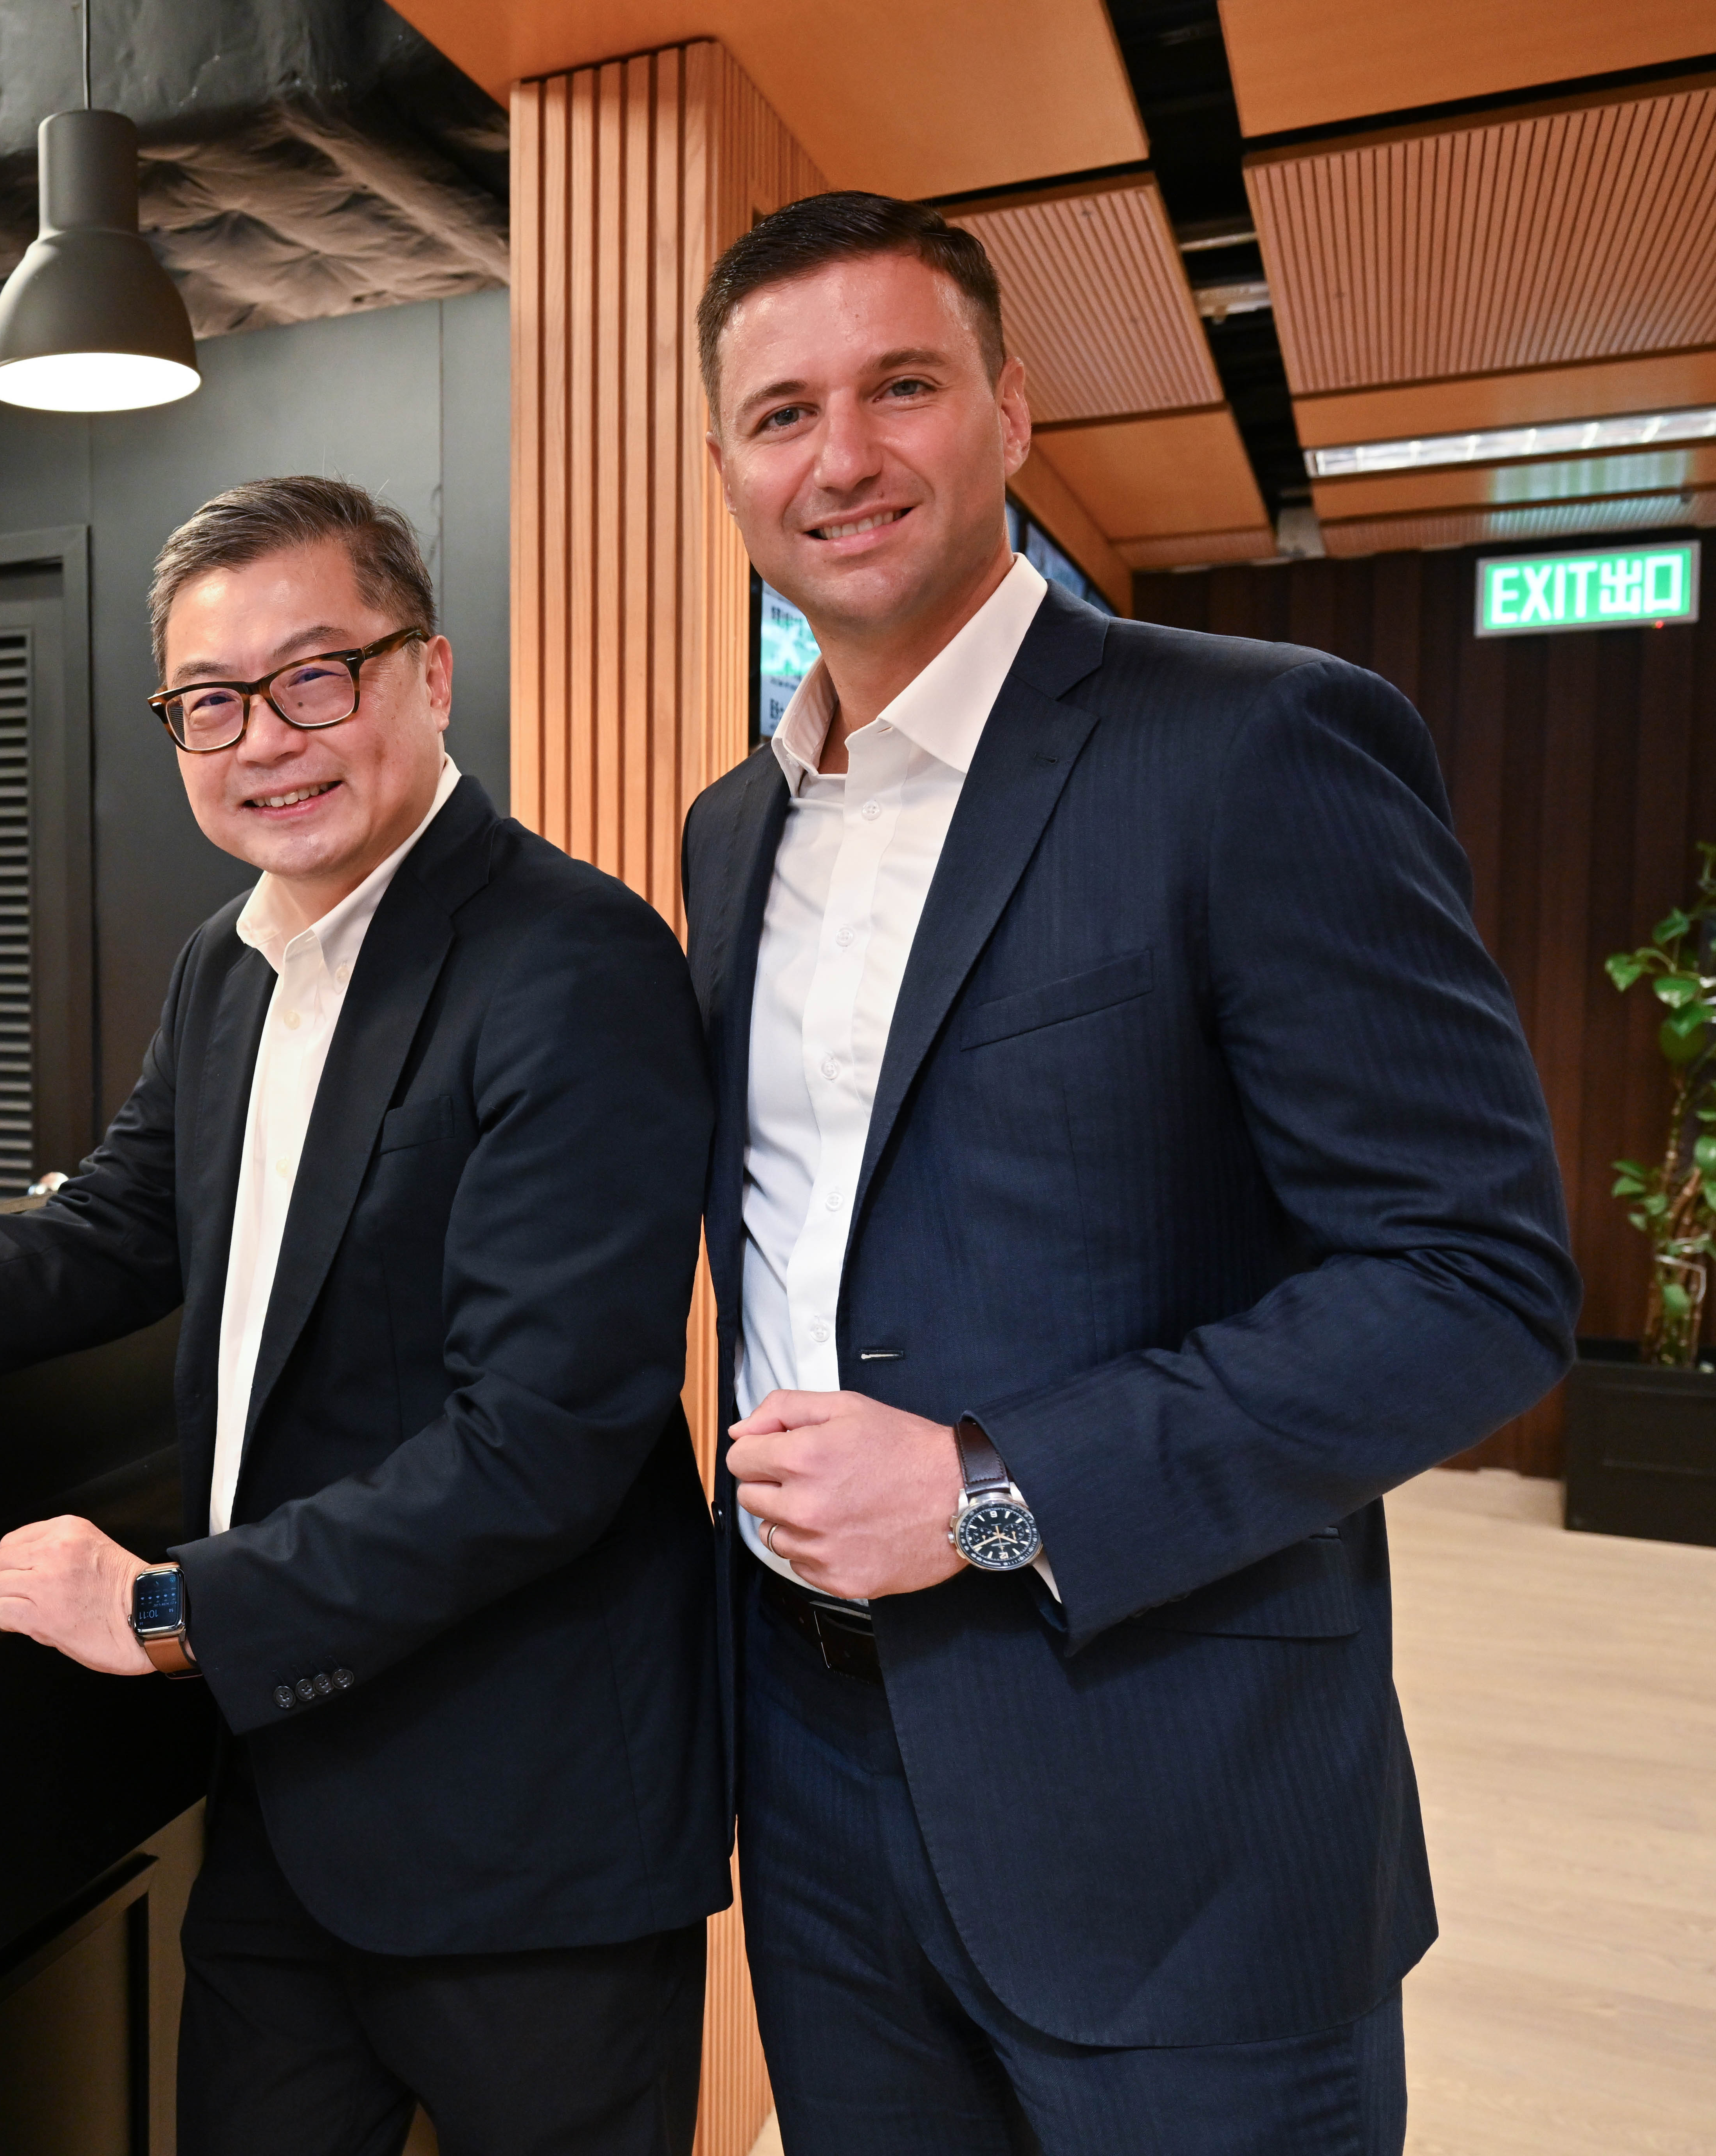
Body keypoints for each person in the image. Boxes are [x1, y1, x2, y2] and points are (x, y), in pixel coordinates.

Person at [0, 478, 721, 2155]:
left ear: (431, 673)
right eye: (212, 701)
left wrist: (178, 1600)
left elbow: (545, 1440)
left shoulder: (573, 963)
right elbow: (115, 1231)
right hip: (287, 1790)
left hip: (526, 1813)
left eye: (315, 674)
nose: (264, 737)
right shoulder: (233, 961)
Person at [680, 191, 1579, 2152]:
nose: (837, 457)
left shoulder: (1253, 748)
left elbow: (1471, 1280)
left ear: (1005, 409)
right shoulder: (728, 833)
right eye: (777, 413)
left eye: (896, 386)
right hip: (814, 1775)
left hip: (1166, 1784)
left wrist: (989, 1496)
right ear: (723, 465)